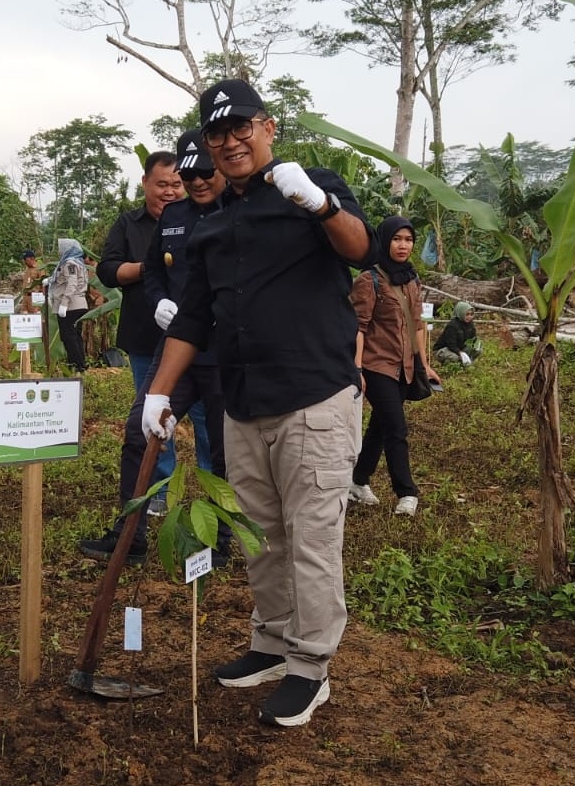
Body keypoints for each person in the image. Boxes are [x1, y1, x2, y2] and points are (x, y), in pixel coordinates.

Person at [142, 79, 371, 728]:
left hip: (313, 399)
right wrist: (157, 392)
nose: (230, 140)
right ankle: (269, 646)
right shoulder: (211, 227)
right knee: (259, 538)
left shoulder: (312, 187)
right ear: (207, 147)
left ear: (267, 126)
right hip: (244, 403)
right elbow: (191, 319)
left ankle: (309, 668)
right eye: (216, 133)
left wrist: (320, 204)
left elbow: (361, 249)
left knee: (312, 540)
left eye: (241, 126)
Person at [79, 129, 230, 566]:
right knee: (139, 432)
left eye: (205, 172)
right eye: (189, 174)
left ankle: (219, 542)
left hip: (223, 354)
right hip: (175, 349)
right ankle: (131, 535)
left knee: (221, 448)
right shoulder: (174, 216)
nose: (197, 182)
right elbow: (154, 271)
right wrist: (159, 300)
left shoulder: (239, 211)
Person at [98, 151, 194, 508]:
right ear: (145, 184)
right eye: (162, 184)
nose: (170, 191)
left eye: (176, 184)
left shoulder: (198, 218)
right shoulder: (128, 224)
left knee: (206, 420)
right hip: (145, 337)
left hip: (196, 341)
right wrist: (149, 268)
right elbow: (107, 270)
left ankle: (218, 492)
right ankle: (158, 492)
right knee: (152, 420)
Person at [348, 216, 440, 517]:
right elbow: (358, 327)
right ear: (385, 241)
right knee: (396, 428)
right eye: (397, 239)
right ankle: (406, 493)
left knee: (380, 425)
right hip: (377, 365)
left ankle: (357, 480)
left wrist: (425, 365)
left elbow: (417, 325)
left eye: (408, 240)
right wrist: (357, 369)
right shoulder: (369, 280)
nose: (403, 245)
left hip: (405, 366)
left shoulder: (412, 278)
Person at [50, 238, 90, 372]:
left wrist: (64, 303)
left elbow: (72, 283)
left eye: (62, 248)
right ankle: (80, 363)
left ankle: (76, 364)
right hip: (80, 304)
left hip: (70, 305)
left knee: (68, 336)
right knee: (75, 335)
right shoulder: (79, 263)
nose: (60, 252)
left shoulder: (70, 263)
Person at [433, 301, 480, 367]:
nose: (469, 317)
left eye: (471, 314)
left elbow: (473, 338)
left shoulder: (470, 324)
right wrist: (460, 353)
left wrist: (476, 344)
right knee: (455, 358)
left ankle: (467, 363)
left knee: (477, 350)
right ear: (461, 313)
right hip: (444, 349)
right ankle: (447, 365)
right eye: (467, 314)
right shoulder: (452, 325)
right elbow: (451, 344)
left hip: (459, 348)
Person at [16, 249, 46, 314]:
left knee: (35, 318)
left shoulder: (40, 268)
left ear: (32, 258)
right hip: (25, 297)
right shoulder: (27, 268)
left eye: (26, 260)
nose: (24, 262)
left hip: (35, 298)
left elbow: (43, 284)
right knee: (25, 318)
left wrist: (42, 300)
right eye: (24, 260)